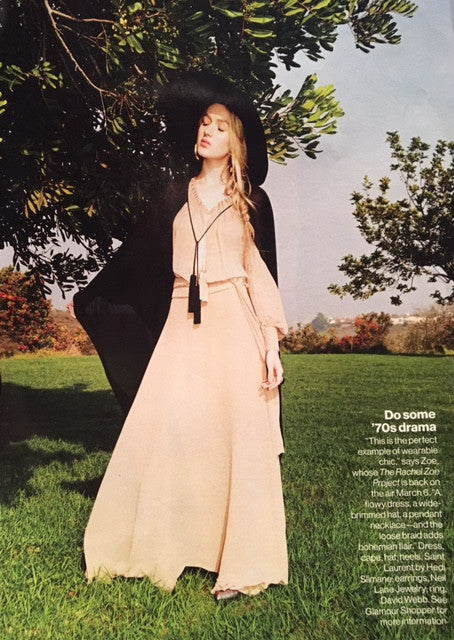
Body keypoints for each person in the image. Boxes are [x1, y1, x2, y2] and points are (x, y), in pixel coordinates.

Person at [72, 72, 288, 600]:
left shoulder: (254, 201)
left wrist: (270, 345)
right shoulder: (171, 193)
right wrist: (96, 299)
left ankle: (239, 564)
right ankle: (163, 542)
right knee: (171, 431)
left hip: (235, 324)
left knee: (235, 438)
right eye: (204, 123)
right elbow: (137, 262)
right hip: (180, 324)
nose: (207, 131)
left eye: (220, 126)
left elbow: (260, 275)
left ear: (236, 139)